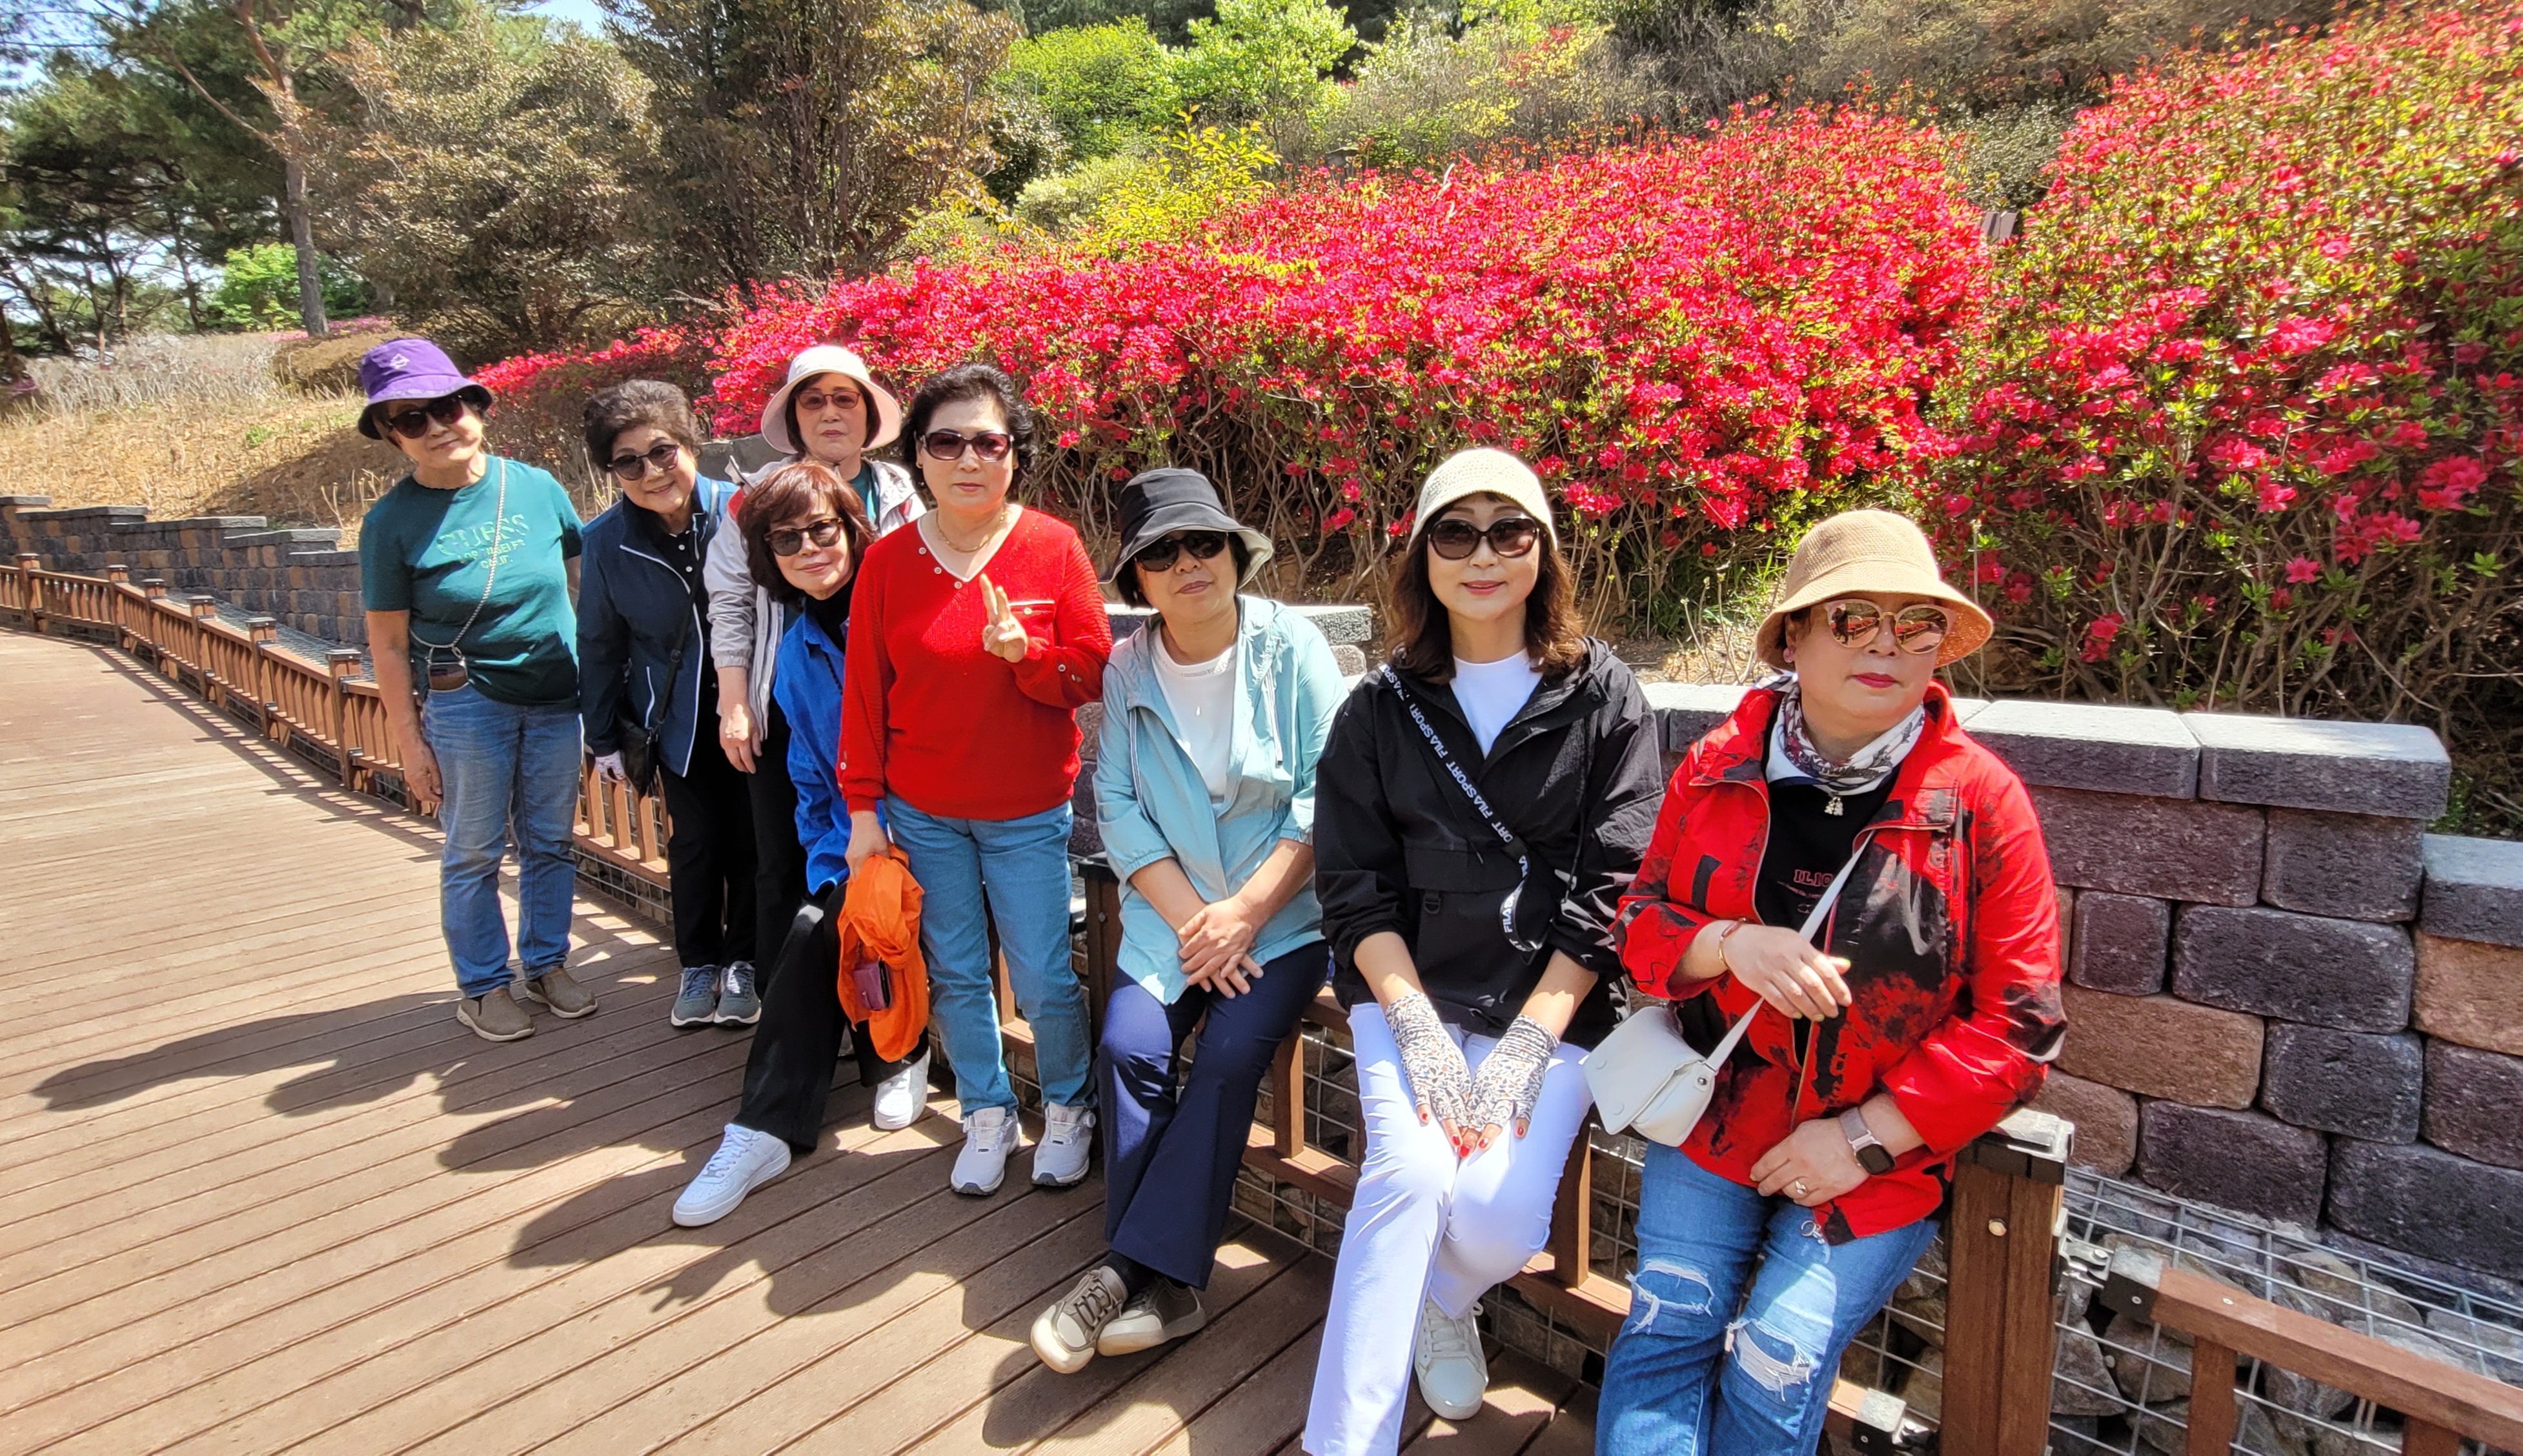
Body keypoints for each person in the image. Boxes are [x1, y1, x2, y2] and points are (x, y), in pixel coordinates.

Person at [1596, 509, 2066, 1456]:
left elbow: (2019, 1024)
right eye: (1853, 618)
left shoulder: (1978, 801)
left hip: (1878, 1153)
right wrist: (1728, 945)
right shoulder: (1717, 766)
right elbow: (1637, 924)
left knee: (1777, 1360)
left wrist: (1865, 1137)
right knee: (1665, 1326)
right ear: (1795, 638)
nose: (1885, 645)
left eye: (1916, 623)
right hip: (1716, 1119)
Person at [1304, 449, 1664, 1455]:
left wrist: (1525, 1045)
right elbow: (1353, 886)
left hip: (1552, 998)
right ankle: (1345, 1442)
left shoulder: (1606, 699)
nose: (1483, 556)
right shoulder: (1378, 709)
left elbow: (1614, 887)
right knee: (1409, 1178)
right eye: (1455, 533)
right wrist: (1417, 1030)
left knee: (1501, 1223)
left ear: (1543, 551)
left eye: (1510, 531)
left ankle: (1443, 1300)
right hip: (1410, 991)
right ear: (1422, 556)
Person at [1028, 469, 1345, 1372]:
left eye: (1203, 543)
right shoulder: (1129, 666)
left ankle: (1130, 1271)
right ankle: (1164, 1281)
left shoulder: (1292, 648)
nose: (1187, 564)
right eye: (1160, 553)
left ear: (1235, 554)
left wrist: (1244, 913)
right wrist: (1199, 921)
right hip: (1172, 919)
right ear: (1138, 578)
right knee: (1129, 1048)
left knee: (1231, 1056)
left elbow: (1328, 794)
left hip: (1281, 919)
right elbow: (1119, 807)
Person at [840, 363, 1113, 1198]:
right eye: (946, 441)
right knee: (956, 972)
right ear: (918, 456)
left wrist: (1027, 657)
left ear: (1014, 455)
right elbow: (865, 694)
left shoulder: (1052, 548)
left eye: (988, 442)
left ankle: (1068, 1109)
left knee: (1042, 975)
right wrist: (862, 809)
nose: (968, 458)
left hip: (1026, 812)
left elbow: (1093, 670)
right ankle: (986, 1113)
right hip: (923, 812)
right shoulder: (887, 563)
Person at [671, 461, 936, 1225]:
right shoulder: (794, 654)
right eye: (786, 540)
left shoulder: (904, 617)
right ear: (768, 559)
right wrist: (835, 864)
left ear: (853, 530)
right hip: (859, 849)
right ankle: (771, 1125)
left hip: (943, 839)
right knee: (822, 916)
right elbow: (814, 786)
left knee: (825, 925)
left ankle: (883, 1060)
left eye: (822, 530)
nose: (809, 549)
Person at [356, 338, 589, 1044]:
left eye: (447, 407)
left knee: (550, 841)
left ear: (475, 407)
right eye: (412, 419)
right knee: (475, 849)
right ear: (392, 436)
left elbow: (581, 583)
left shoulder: (537, 487)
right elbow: (388, 643)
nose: (437, 427)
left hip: (556, 692)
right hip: (468, 702)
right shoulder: (390, 524)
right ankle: (483, 985)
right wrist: (410, 742)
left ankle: (546, 963)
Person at [704, 345, 923, 1025]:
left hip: (883, 707)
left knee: (884, 860)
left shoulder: (899, 491)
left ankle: (882, 1020)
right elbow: (731, 602)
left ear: (868, 414)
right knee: (784, 860)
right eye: (813, 400)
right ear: (794, 417)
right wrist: (734, 701)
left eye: (845, 398)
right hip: (787, 701)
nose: (830, 413)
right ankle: (792, 1015)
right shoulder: (756, 497)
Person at [577, 381, 758, 1029]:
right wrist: (602, 736)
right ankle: (699, 963)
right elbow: (600, 643)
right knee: (696, 844)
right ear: (613, 472)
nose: (652, 473)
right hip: (674, 719)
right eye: (629, 463)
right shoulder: (606, 541)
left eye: (662, 452)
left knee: (755, 841)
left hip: (755, 709)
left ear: (689, 445)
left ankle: (745, 962)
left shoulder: (744, 510)